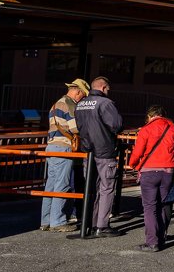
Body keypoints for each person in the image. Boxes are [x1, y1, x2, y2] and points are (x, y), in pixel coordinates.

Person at [71, 76, 123, 238]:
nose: (108, 91)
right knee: (106, 188)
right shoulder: (105, 103)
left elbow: (78, 127)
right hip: (105, 151)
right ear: (103, 87)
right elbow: (116, 125)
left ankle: (88, 223)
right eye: (108, 89)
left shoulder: (81, 104)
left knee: (90, 188)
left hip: (88, 151)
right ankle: (101, 225)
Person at [127, 105, 174, 251]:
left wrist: (132, 164)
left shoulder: (146, 129)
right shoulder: (172, 129)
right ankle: (161, 238)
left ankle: (152, 242)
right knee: (162, 205)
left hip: (149, 172)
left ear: (150, 116)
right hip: (168, 172)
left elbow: (138, 152)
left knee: (150, 207)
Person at [40, 79, 87, 232]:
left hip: (51, 146)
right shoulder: (70, 104)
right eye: (83, 95)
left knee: (50, 185)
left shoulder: (55, 104)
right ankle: (58, 222)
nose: (82, 99)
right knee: (62, 184)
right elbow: (75, 128)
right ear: (78, 91)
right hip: (63, 148)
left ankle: (45, 220)